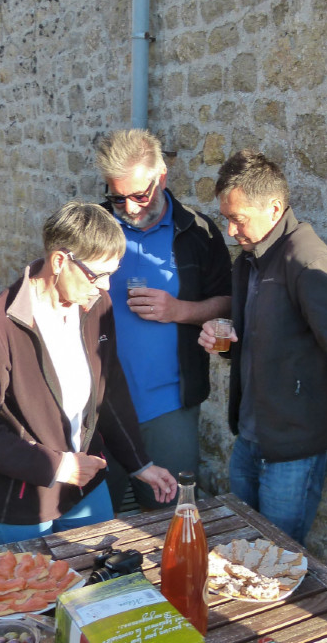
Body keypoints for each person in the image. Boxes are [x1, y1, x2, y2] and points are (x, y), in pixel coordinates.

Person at [0, 201, 177, 544]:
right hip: (20, 501)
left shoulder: (96, 304)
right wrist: (56, 467)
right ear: (59, 260)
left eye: (111, 274)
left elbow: (109, 390)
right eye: (97, 274)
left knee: (98, 586)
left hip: (84, 487)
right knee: (33, 595)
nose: (104, 286)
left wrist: (139, 463)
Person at [197, 149, 327, 545]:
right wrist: (225, 344)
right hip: (249, 441)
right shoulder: (249, 261)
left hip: (294, 453)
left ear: (275, 208)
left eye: (238, 220)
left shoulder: (310, 264)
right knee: (239, 553)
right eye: (227, 219)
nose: (231, 232)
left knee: (275, 564)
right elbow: (267, 351)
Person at [94, 129, 231, 510]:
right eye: (118, 197)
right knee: (94, 528)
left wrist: (180, 311)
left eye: (140, 194)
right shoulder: (92, 228)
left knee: (169, 518)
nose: (131, 207)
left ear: (163, 177)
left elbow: (229, 301)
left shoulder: (198, 232)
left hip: (168, 405)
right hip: (97, 404)